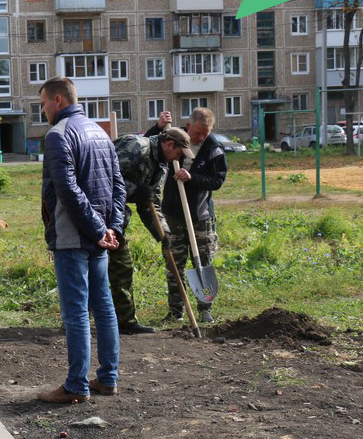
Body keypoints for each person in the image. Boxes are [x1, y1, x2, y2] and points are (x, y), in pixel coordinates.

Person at [38, 77, 126, 403]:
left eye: (44, 103)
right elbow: (119, 185)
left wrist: (98, 229)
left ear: (58, 100)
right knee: (103, 308)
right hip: (98, 236)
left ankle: (76, 385)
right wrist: (111, 228)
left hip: (74, 237)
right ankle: (108, 378)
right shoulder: (100, 131)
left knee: (76, 313)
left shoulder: (58, 135)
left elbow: (68, 190)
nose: (43, 110)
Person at [109, 128, 195, 334]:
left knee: (123, 268)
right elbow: (104, 176)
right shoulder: (137, 147)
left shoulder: (162, 167)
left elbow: (151, 203)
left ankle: (126, 323)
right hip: (96, 214)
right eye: (179, 153)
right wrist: (134, 190)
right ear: (169, 145)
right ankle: (78, 322)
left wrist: (162, 234)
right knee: (93, 269)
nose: (180, 158)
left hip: (117, 218)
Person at [145, 108, 226, 324]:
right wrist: (159, 126)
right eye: (198, 133)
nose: (201, 137)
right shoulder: (174, 137)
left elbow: (217, 181)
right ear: (188, 126)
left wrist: (193, 177)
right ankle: (176, 311)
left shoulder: (213, 147)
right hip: (173, 213)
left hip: (201, 216)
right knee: (174, 264)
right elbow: (149, 144)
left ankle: (205, 308)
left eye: (205, 133)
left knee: (204, 261)